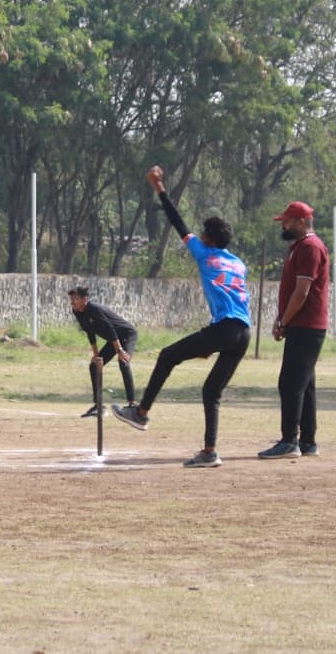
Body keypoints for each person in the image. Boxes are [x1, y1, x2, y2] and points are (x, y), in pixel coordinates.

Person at [111, 166, 251, 469]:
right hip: (243, 333)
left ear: (208, 238)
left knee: (167, 356)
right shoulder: (239, 263)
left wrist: (159, 188)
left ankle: (141, 413)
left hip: (225, 329)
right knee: (211, 391)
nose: (199, 235)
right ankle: (209, 452)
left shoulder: (205, 254)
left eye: (203, 233)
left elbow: (178, 222)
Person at [259, 201, 330, 459]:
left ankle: (289, 441)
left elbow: (301, 293)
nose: (284, 226)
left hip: (306, 325)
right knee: (304, 384)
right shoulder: (300, 247)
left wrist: (284, 322)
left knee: (290, 383)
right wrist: (282, 318)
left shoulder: (310, 247)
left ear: (301, 222)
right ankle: (308, 441)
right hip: (302, 324)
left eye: (287, 222)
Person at [67, 287, 137, 418]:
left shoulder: (94, 309)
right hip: (113, 338)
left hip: (126, 334)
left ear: (85, 299)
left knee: (123, 362)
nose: (72, 302)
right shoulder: (77, 311)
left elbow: (110, 329)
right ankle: (99, 406)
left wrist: (120, 351)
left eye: (75, 299)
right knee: (94, 366)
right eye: (71, 299)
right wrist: (96, 355)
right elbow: (90, 332)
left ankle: (132, 405)